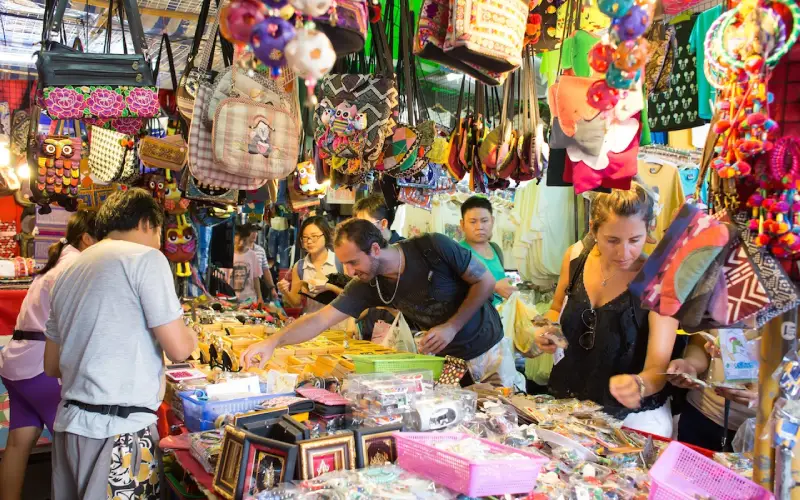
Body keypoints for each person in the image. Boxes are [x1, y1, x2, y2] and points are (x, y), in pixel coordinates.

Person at [44, 188, 197, 500]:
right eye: (160, 232)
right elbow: (179, 349)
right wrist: (192, 334)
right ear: (146, 223)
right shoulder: (146, 259)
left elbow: (51, 365)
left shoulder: (68, 271)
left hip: (69, 428)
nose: (160, 242)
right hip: (120, 433)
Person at [244, 219, 516, 387]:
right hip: (449, 363)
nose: (349, 271)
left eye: (353, 262)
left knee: (508, 417)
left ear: (375, 249)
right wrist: (272, 342)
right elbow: (320, 319)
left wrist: (451, 327)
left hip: (490, 350)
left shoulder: (432, 247)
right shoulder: (368, 284)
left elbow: (485, 282)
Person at [534, 183, 679, 437]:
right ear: (593, 229)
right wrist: (547, 330)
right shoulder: (575, 257)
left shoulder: (660, 281)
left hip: (632, 422)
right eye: (612, 240)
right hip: (569, 407)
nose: (624, 252)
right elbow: (556, 309)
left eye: (635, 240)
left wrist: (639, 384)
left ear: (649, 230)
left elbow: (658, 367)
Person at [0, 211, 97, 500]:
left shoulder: (59, 263)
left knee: (18, 443)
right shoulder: (76, 267)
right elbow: (76, 325)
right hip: (40, 367)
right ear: (87, 238)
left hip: (17, 364)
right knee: (72, 450)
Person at [667, 332, 757, 451]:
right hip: (700, 412)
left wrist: (768, 400)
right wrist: (691, 364)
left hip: (759, 432)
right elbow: (701, 340)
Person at [278, 216, 344, 314]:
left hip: (338, 322)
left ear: (325, 235)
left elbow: (351, 298)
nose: (309, 241)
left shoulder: (340, 262)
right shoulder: (300, 266)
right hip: (310, 321)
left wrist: (329, 287)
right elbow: (296, 303)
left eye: (314, 236)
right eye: (305, 237)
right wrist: (285, 291)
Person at [459, 195, 517, 304]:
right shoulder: (458, 253)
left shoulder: (496, 249)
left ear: (492, 221)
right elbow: (453, 293)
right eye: (473, 222)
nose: (479, 227)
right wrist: (493, 287)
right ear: (462, 225)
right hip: (475, 314)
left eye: (484, 221)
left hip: (501, 313)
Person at [229, 224, 264, 304]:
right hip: (231, 299)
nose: (241, 243)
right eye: (239, 240)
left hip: (249, 300)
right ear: (234, 239)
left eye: (244, 240)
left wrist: (260, 297)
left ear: (248, 239)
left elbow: (256, 278)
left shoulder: (252, 255)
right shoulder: (229, 255)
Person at [248, 223, 278, 300]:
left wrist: (272, 288)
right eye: (252, 231)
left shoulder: (260, 250)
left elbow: (266, 270)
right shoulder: (239, 250)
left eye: (256, 231)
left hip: (257, 290)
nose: (255, 234)